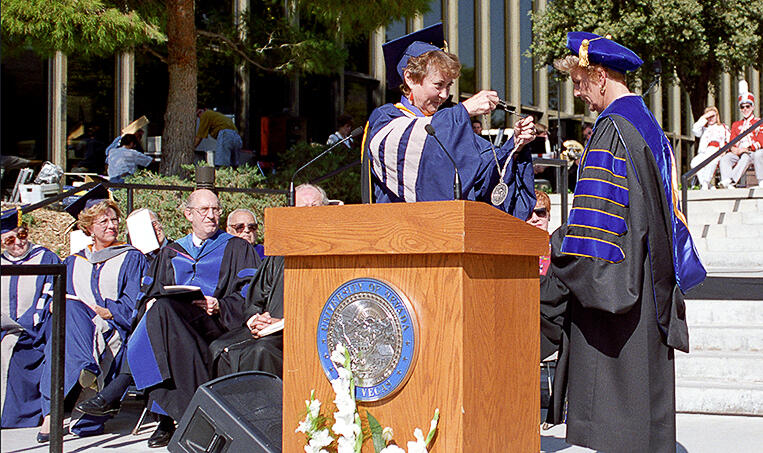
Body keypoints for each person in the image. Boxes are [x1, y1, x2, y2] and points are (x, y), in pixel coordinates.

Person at [545, 32, 706, 453]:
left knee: (618, 433)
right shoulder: (648, 124)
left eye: (580, 82)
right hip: (650, 288)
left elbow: (594, 229)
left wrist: (557, 250)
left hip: (619, 300)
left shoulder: (612, 129)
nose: (578, 92)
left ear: (599, 76)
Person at [127, 189, 260, 448]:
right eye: (204, 210)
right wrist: (151, 301)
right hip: (176, 325)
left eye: (216, 210)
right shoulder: (172, 252)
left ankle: (164, 415)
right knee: (161, 310)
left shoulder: (236, 247)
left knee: (163, 314)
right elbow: (150, 291)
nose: (212, 216)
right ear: (188, 215)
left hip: (215, 324)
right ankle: (175, 418)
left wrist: (220, 305)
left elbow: (250, 291)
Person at [361, 23, 536, 220]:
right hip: (401, 236)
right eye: (438, 85)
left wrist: (516, 145)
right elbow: (419, 153)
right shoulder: (386, 120)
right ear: (410, 79)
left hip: (453, 238)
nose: (444, 95)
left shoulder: (451, 127)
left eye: (449, 85)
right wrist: (465, 109)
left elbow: (484, 176)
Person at [37, 185, 148, 442]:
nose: (112, 225)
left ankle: (54, 412)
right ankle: (80, 374)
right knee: (69, 309)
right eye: (104, 221)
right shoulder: (74, 260)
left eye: (114, 219)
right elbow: (59, 298)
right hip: (77, 328)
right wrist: (55, 304)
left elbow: (133, 306)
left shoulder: (131, 258)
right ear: (88, 227)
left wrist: (107, 311)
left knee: (86, 429)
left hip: (110, 329)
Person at [208, 184, 330, 379]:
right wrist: (255, 319)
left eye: (314, 207)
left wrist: (283, 322)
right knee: (220, 348)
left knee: (261, 350)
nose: (308, 213)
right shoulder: (280, 253)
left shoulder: (332, 254)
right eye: (301, 208)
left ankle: (261, 409)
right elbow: (256, 297)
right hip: (269, 329)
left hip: (305, 330)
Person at [74, 208, 171, 419]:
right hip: (136, 320)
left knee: (148, 330)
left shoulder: (176, 251)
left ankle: (110, 397)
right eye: (146, 226)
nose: (154, 229)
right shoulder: (133, 255)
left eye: (155, 223)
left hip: (163, 318)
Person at [1, 209, 61, 429]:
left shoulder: (45, 258)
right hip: (6, 329)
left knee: (9, 346)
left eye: (22, 235)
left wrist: (23, 325)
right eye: (10, 239)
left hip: (35, 331)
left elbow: (49, 300)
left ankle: (14, 417)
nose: (18, 243)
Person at [719, 81, 763, 188]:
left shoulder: (759, 122)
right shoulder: (736, 124)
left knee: (745, 157)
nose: (745, 109)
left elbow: (761, 140)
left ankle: (731, 180)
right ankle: (727, 185)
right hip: (739, 152)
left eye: (748, 106)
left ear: (752, 107)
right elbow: (732, 141)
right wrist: (735, 150)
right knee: (725, 158)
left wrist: (746, 149)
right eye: (742, 107)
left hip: (752, 151)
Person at [690, 106, 730, 190]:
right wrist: (704, 117)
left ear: (717, 116)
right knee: (694, 162)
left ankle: (705, 184)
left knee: (712, 161)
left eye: (713, 116)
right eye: (709, 117)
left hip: (718, 151)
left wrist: (725, 150)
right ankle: (707, 184)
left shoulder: (723, 127)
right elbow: (695, 130)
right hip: (705, 152)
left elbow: (729, 140)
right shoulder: (704, 129)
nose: (711, 118)